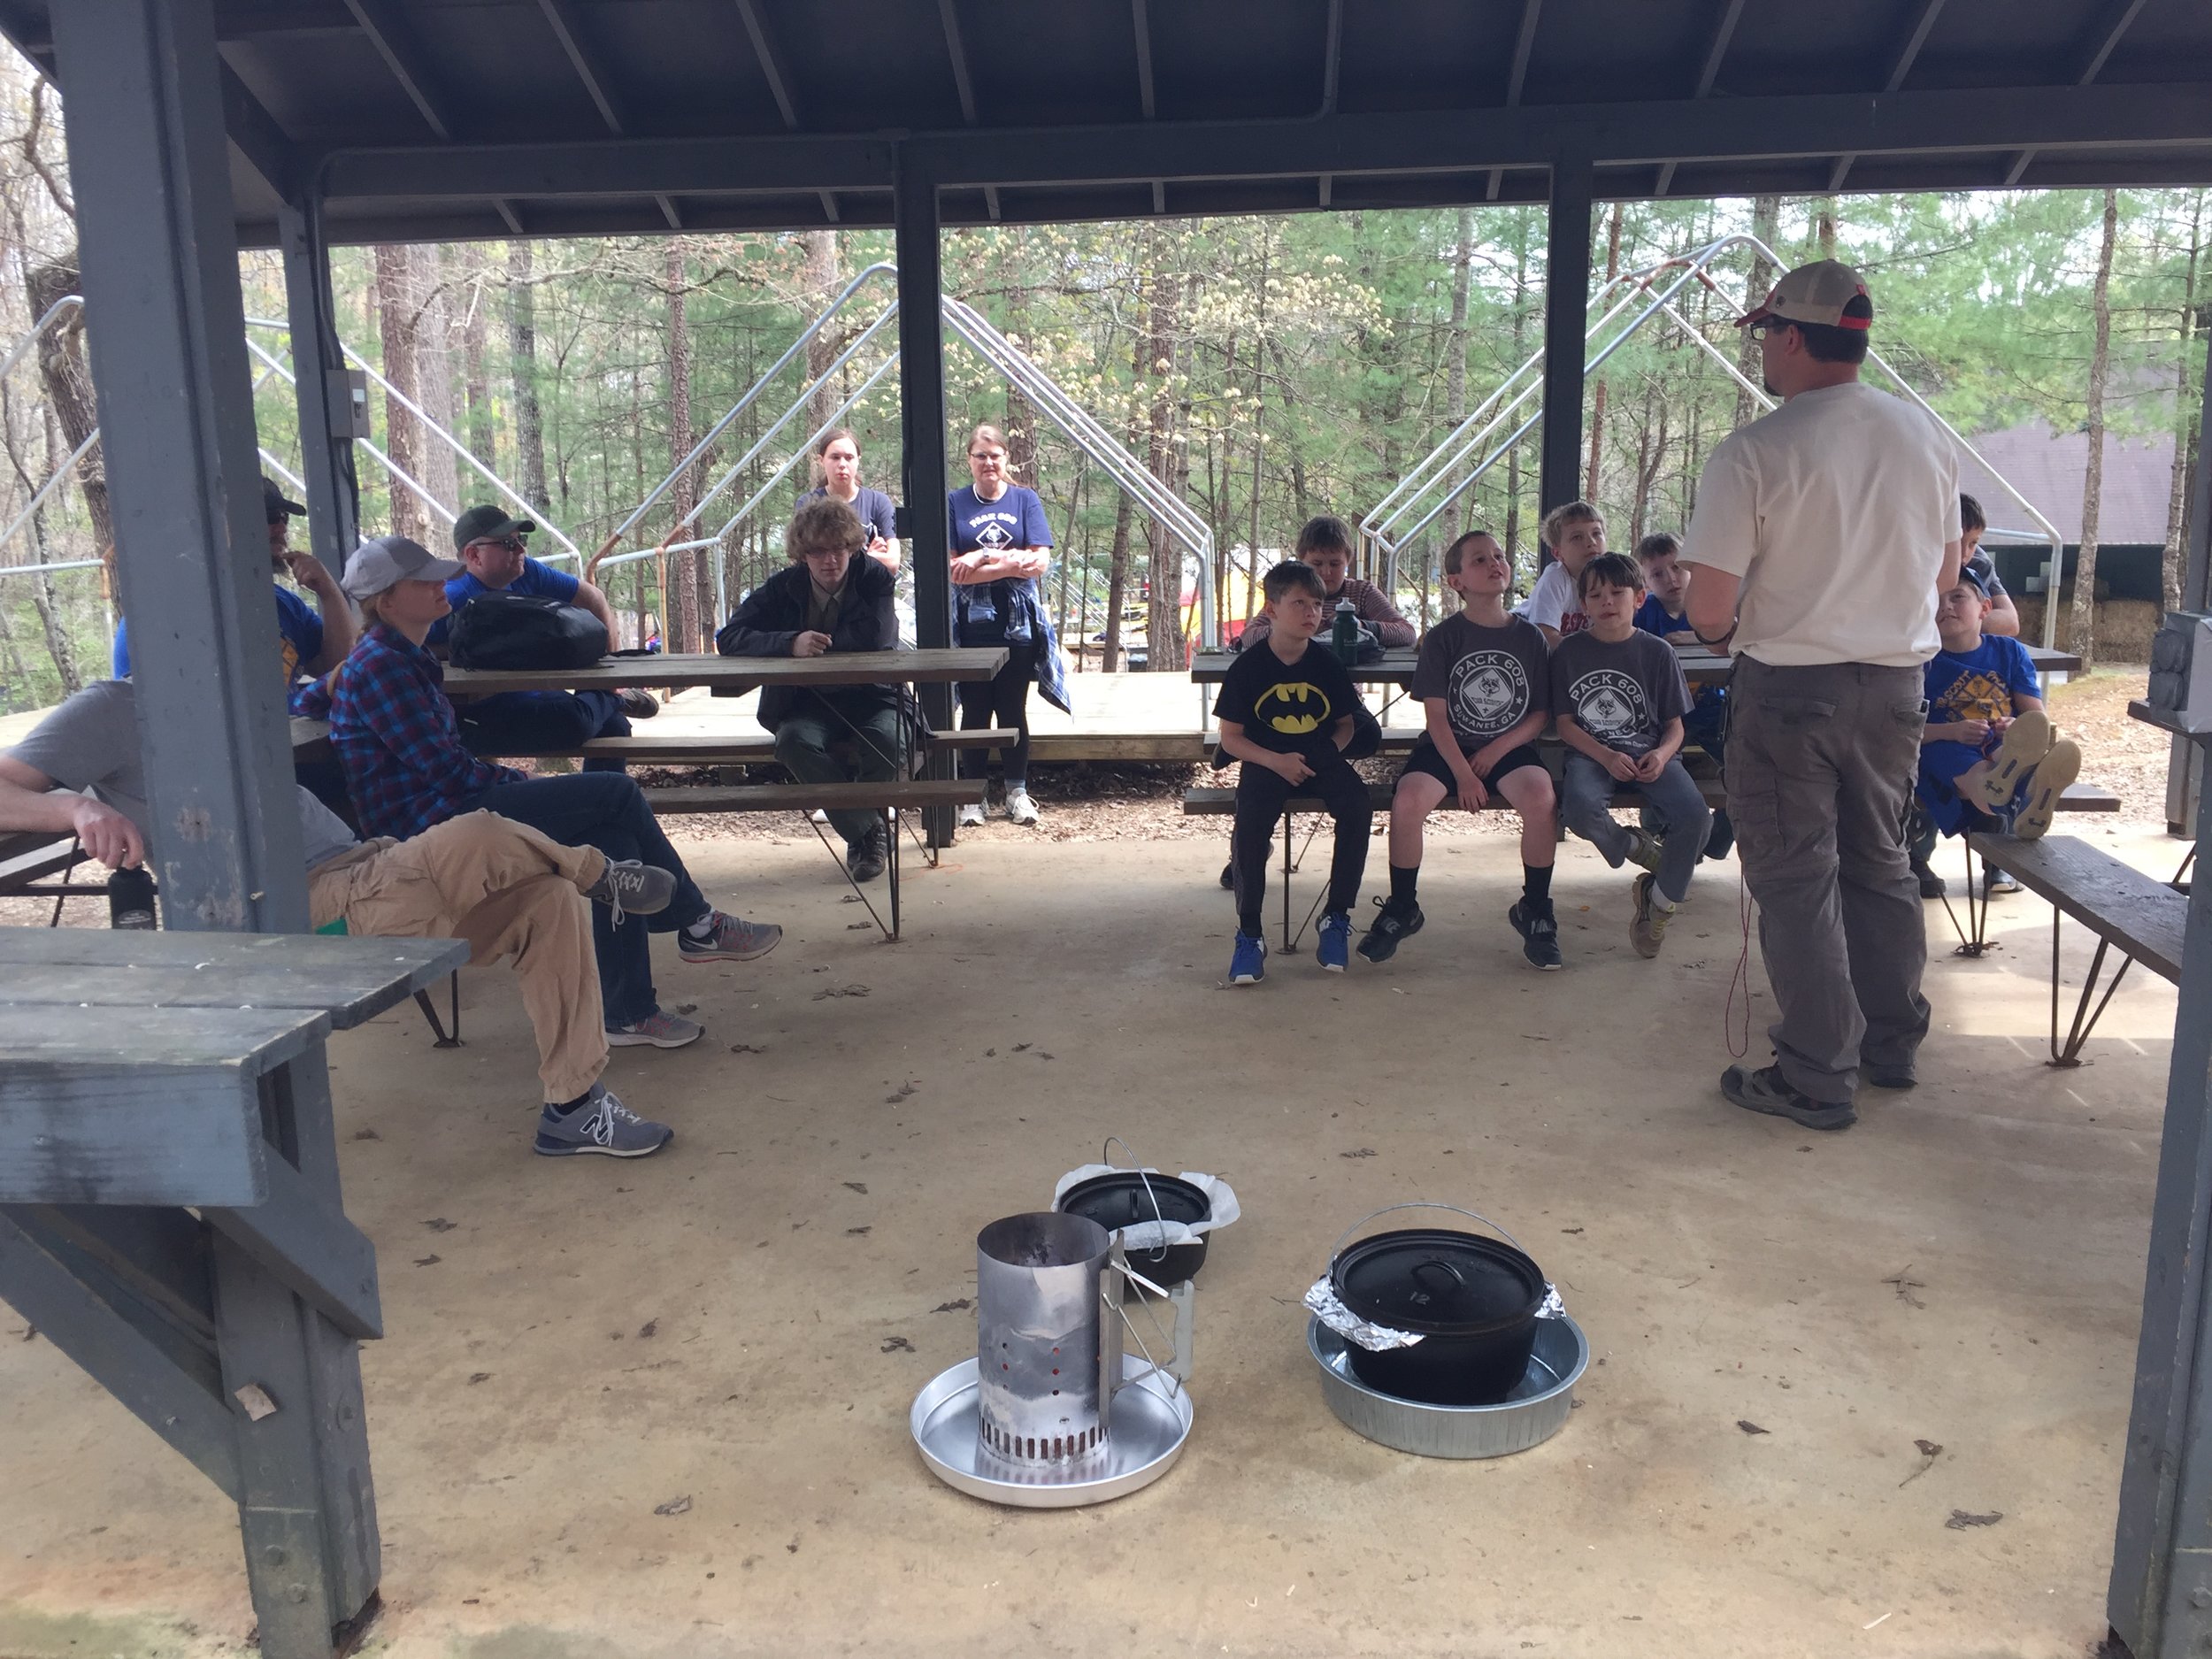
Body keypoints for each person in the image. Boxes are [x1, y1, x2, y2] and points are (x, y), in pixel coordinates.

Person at [0, 678, 684, 1157]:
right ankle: (599, 872)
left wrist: (325, 585)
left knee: (545, 900)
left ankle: (572, 1108)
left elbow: (334, 653)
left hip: (367, 872)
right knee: (478, 830)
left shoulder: (223, 688)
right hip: (307, 911)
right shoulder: (112, 705)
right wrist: (76, 808)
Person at [297, 533, 780, 1050]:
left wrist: (319, 690)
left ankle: (629, 1010)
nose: (443, 584)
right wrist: (523, 781)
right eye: (425, 580)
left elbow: (319, 702)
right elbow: (450, 774)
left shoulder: (395, 657)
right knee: (615, 793)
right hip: (434, 831)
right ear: (387, 600)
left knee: (611, 837)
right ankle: (696, 923)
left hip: (453, 811)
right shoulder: (383, 666)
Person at [1682, 258, 1962, 1133]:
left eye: (1767, 331)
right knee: (1878, 862)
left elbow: (1708, 611)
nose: (1764, 348)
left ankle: (1813, 1073)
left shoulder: (1756, 451)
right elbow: (1950, 570)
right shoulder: (1922, 436)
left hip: (1788, 689)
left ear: (1792, 336)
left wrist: (1739, 628)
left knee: (1797, 880)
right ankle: (1889, 1044)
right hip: (1894, 688)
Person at [1361, 530, 1562, 970]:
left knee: (1542, 797)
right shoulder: (1443, 638)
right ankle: (1403, 906)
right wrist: (1466, 774)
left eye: (1499, 556)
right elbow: (1436, 717)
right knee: (1409, 799)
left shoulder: (1530, 638)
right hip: (1447, 747)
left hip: (1507, 747)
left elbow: (1539, 715)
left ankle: (1535, 908)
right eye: (1478, 560)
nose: (1494, 564)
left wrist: (1494, 754)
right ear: (1456, 581)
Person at [716, 497, 902, 883]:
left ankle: (863, 831)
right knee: (792, 741)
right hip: (805, 701)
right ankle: (868, 831)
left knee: (889, 738)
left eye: (838, 549)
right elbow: (729, 636)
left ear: (852, 547)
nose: (830, 560)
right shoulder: (784, 586)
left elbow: (879, 637)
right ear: (803, 555)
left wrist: (822, 644)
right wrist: (790, 642)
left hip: (872, 695)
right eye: (818, 551)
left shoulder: (875, 578)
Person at [1212, 560, 1369, 983]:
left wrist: (1325, 755)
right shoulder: (1247, 667)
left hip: (1319, 757)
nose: (1310, 613)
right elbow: (1231, 739)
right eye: (1299, 602)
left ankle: (1336, 917)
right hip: (1266, 760)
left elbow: (1346, 725)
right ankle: (1249, 933)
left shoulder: (1327, 663)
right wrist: (1275, 761)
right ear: (1272, 609)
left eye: (1317, 604)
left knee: (1358, 806)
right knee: (1250, 826)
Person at [1552, 552, 1711, 958]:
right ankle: (1634, 848)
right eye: (1596, 595)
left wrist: (1661, 755)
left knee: (1695, 817)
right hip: (1591, 755)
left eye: (1617, 592)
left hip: (1649, 754)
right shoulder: (1570, 653)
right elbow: (1566, 724)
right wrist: (1604, 756)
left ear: (1639, 599)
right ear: (1583, 604)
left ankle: (1658, 906)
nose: (1607, 601)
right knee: (1581, 808)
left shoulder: (1658, 652)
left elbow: (1676, 725)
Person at [433, 505, 658, 771]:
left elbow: (593, 599)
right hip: (484, 711)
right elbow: (418, 652)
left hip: (537, 694)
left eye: (521, 540)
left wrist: (607, 677)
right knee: (575, 722)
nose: (521, 550)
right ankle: (612, 698)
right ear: (474, 555)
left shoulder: (528, 571)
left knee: (615, 726)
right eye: (508, 544)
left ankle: (600, 807)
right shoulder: (450, 598)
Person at [111, 476, 357, 687]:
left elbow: (339, 670)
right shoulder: (164, 610)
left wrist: (329, 591)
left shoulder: (285, 605)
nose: (281, 528)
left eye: (284, 517)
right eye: (270, 516)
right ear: (222, 526)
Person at [948, 423, 1071, 828]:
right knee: (976, 711)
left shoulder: (1024, 499)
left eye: (995, 455)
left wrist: (982, 557)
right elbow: (952, 572)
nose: (988, 463)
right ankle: (973, 795)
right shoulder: (955, 503)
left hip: (1019, 623)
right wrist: (1010, 563)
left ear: (1006, 459)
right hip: (971, 624)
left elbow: (1040, 562)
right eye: (980, 456)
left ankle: (1017, 792)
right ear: (969, 460)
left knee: (1013, 707)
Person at [1915, 570, 2081, 846]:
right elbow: (1906, 728)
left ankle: (2032, 794)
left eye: (1958, 597)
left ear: (1985, 608)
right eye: (1936, 600)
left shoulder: (2009, 652)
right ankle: (2017, 804)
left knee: (2011, 751)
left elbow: (2035, 717)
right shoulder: (1923, 661)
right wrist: (1952, 731)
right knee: (1973, 771)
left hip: (2003, 741)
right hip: (1945, 742)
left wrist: (2017, 725)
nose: (1945, 606)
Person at [1633, 531, 1733, 862]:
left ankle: (1715, 839)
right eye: (1657, 574)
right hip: (1665, 714)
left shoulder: (1709, 606)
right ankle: (1662, 834)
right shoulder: (1642, 614)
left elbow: (1736, 635)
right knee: (1655, 765)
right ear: (1645, 582)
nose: (1671, 579)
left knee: (1745, 766)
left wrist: (1691, 638)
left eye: (1676, 567)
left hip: (1710, 708)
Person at [1239, 514, 1416, 651]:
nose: (1326, 572)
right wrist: (1295, 630)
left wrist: (1359, 627)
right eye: (1317, 564)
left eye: (1334, 564)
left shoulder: (1362, 592)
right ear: (1302, 560)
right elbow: (1248, 635)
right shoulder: (1289, 592)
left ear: (1348, 561)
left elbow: (1407, 633)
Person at [800, 429, 900, 576]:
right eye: (835, 457)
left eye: (849, 457)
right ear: (821, 460)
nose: (842, 464)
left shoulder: (878, 502)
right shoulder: (809, 503)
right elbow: (806, 562)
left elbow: (892, 563)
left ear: (858, 459)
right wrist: (868, 558)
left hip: (869, 593)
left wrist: (853, 561)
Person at [1516, 501, 1607, 646]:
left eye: (1596, 533)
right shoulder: (1555, 578)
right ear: (1558, 553)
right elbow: (1546, 638)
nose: (1591, 542)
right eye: (1577, 537)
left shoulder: (1609, 580)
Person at [1958, 494, 2023, 639]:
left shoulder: (1979, 564)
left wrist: (1956, 618)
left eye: (1973, 543)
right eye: (1957, 541)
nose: (1964, 553)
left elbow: (2010, 622)